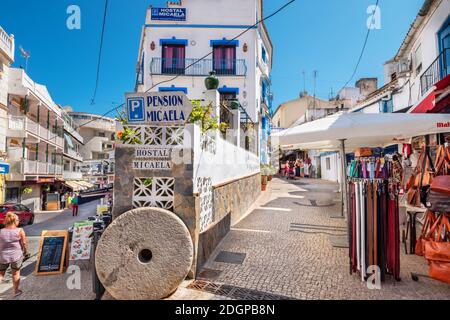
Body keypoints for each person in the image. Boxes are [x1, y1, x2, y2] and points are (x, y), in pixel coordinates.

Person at [0, 213, 28, 297]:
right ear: (15, 221)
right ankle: (16, 291)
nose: (19, 221)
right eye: (18, 220)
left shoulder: (1, 231)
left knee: (1, 273)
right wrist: (26, 251)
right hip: (16, 256)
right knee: (15, 273)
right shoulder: (20, 230)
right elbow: (24, 243)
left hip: (2, 256)